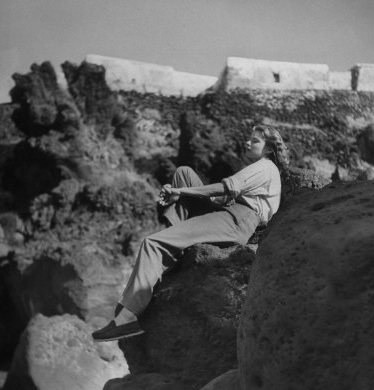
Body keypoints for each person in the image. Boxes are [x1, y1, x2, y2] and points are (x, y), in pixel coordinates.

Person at [92, 125, 289, 341]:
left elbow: (225, 188)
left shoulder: (265, 167)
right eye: (249, 139)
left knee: (152, 243)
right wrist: (179, 194)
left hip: (236, 221)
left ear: (269, 149)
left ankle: (126, 320)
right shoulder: (262, 168)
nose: (248, 143)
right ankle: (174, 248)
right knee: (184, 173)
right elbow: (223, 199)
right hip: (230, 213)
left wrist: (181, 191)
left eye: (255, 141)